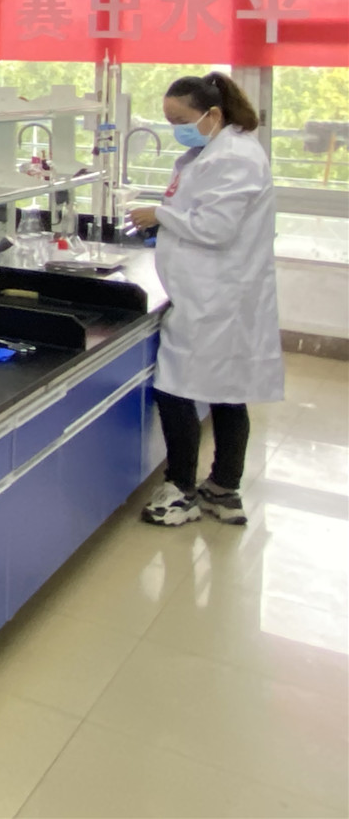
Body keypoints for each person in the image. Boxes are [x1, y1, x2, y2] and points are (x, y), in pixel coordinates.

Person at [127, 72, 283, 528]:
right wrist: (168, 221)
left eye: (181, 120)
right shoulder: (213, 152)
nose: (177, 129)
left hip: (216, 298)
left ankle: (181, 490)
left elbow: (215, 228)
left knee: (176, 389)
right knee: (226, 392)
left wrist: (160, 215)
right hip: (213, 292)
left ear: (212, 114)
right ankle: (223, 488)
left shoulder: (233, 157)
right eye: (170, 121)